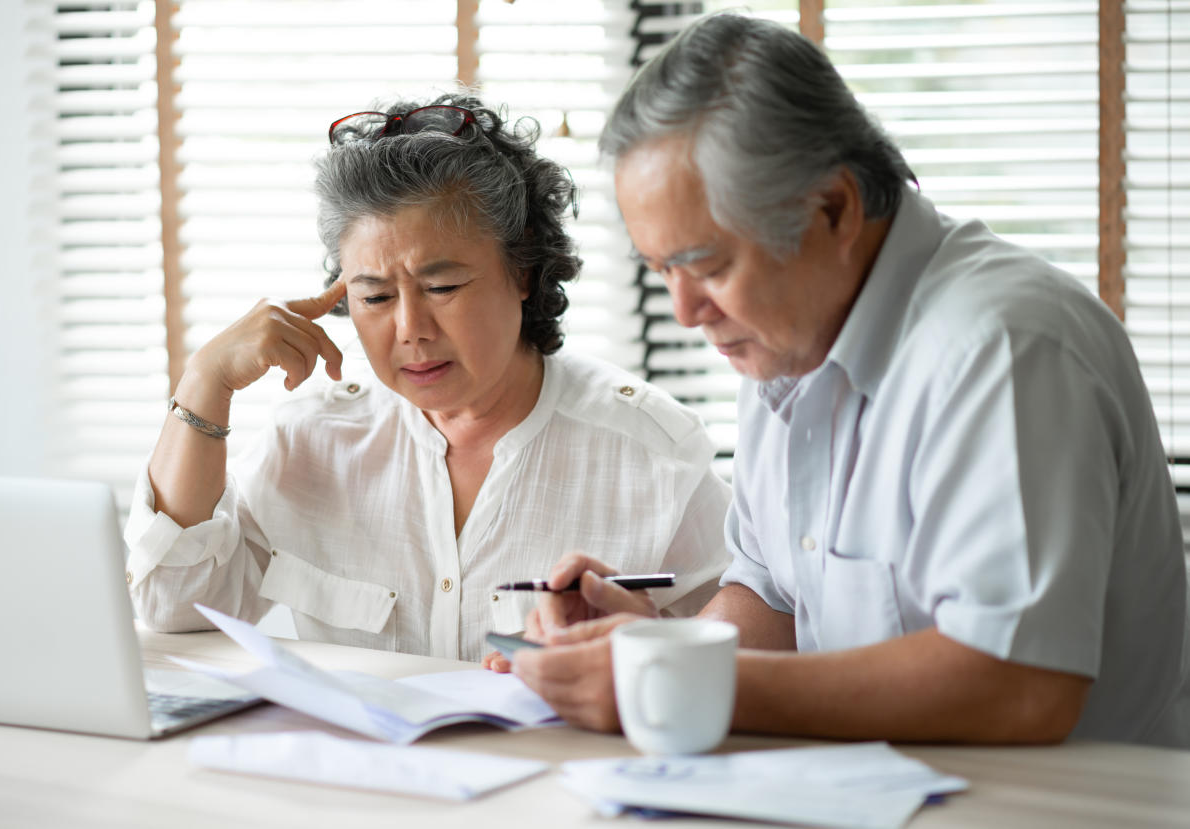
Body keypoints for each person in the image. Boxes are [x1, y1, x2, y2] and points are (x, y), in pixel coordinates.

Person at [504, 14, 1190, 747]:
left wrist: (676, 683)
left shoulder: (1005, 348)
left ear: (833, 208)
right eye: (662, 270)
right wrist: (655, 650)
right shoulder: (785, 339)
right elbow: (775, 600)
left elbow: (1021, 685)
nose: (685, 312)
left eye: (706, 266)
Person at [123, 93, 732, 663]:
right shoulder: (310, 443)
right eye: (375, 296)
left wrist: (642, 647)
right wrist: (204, 384)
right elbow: (173, 609)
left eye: (442, 287)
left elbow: (749, 652)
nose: (411, 328)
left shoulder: (654, 454)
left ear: (523, 273)